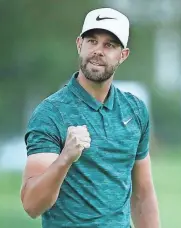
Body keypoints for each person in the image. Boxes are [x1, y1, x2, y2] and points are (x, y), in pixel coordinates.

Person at [20, 7, 160, 228]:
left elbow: (142, 195)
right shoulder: (51, 113)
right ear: (79, 45)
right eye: (92, 41)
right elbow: (32, 205)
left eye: (109, 45)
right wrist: (65, 158)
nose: (98, 50)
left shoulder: (135, 110)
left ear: (123, 55)